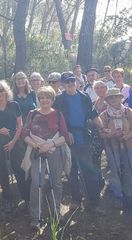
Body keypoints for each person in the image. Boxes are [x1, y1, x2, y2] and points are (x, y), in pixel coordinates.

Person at [53, 71, 104, 212]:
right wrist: (66, 132)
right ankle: (76, 200)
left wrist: (102, 128)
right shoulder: (58, 100)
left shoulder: (84, 97)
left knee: (89, 170)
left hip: (83, 137)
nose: (70, 83)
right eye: (66, 81)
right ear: (62, 84)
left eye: (71, 80)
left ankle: (94, 202)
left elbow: (94, 115)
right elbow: (56, 120)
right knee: (72, 171)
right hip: (67, 139)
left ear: (75, 81)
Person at [22, 86, 69, 230]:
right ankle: (36, 217)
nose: (44, 100)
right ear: (39, 99)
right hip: (36, 151)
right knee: (36, 183)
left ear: (52, 99)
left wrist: (50, 144)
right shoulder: (32, 113)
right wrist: (37, 146)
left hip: (54, 150)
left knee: (56, 183)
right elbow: (24, 134)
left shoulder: (58, 114)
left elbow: (65, 136)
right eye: (42, 97)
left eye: (47, 97)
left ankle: (56, 212)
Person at [0, 81, 29, 212]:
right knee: (2, 169)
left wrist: (13, 142)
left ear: (6, 91)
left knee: (18, 169)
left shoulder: (14, 105)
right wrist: (0, 131)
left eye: (1, 90)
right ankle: (7, 199)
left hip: (14, 141)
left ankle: (26, 198)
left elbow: (20, 126)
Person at [100, 89, 132, 210]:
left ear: (121, 98)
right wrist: (111, 135)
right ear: (107, 100)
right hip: (113, 147)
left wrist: (126, 136)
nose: (114, 100)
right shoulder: (104, 115)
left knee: (129, 171)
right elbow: (101, 133)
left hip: (129, 145)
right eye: (111, 98)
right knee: (115, 171)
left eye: (116, 97)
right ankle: (118, 197)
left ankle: (130, 196)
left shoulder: (129, 112)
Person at [90, 81, 108, 184]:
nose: (99, 89)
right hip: (97, 134)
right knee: (95, 157)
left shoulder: (111, 100)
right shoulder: (94, 102)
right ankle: (99, 180)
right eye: (97, 87)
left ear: (106, 88)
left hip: (109, 133)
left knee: (111, 158)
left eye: (102, 87)